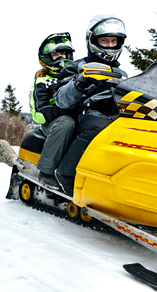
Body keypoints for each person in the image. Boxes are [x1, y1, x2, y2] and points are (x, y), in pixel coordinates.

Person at [53, 15, 128, 196]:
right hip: (82, 117)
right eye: (104, 40)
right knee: (98, 127)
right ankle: (66, 174)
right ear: (93, 41)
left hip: (114, 118)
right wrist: (80, 81)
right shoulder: (77, 67)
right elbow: (61, 99)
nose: (109, 46)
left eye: (113, 41)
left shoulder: (122, 73)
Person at [29, 32, 80, 190]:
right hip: (53, 125)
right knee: (67, 122)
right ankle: (46, 171)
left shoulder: (76, 78)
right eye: (56, 54)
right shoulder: (42, 82)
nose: (61, 58)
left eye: (64, 53)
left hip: (75, 120)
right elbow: (39, 115)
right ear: (47, 58)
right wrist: (64, 110)